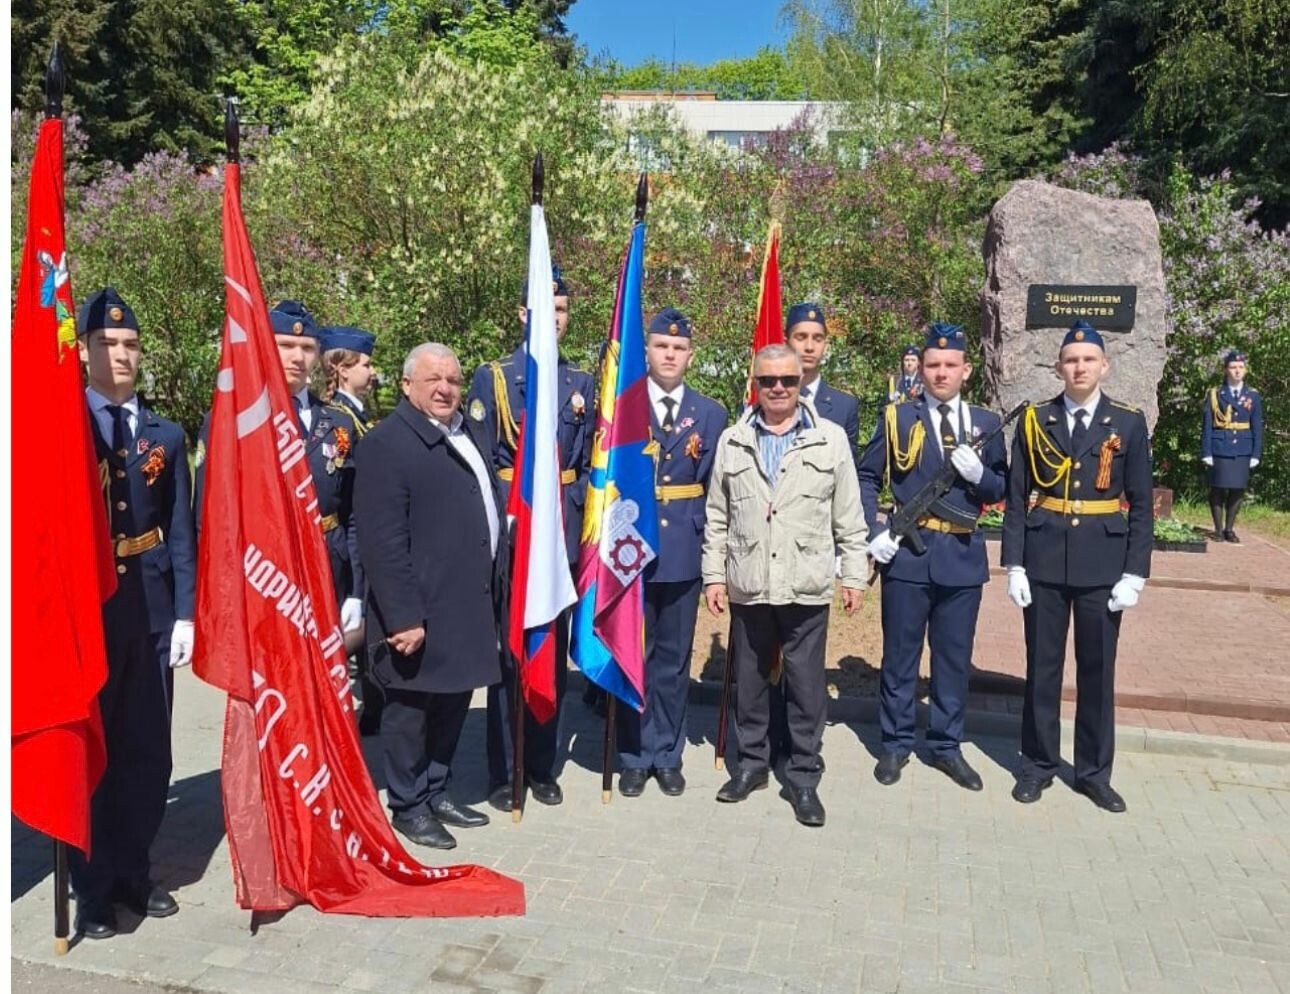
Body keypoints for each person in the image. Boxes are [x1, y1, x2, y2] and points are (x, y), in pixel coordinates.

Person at [72, 288, 196, 939]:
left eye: (130, 344)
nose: (120, 354)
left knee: (148, 751)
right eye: (106, 343)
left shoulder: (164, 435)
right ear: (83, 349)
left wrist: (186, 614)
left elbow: (180, 530)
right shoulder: (64, 427)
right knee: (95, 751)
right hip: (88, 615)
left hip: (150, 610)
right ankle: (92, 889)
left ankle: (134, 872)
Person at [701, 344, 868, 827]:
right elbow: (717, 517)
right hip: (750, 580)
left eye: (788, 381)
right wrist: (714, 575)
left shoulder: (828, 439)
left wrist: (854, 573)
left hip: (805, 581)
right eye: (768, 380)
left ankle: (803, 775)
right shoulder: (733, 440)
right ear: (755, 383)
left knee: (806, 686)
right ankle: (752, 765)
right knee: (750, 682)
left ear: (801, 383)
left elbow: (849, 514)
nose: (778, 389)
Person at [354, 343, 504, 850]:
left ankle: (437, 789)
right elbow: (382, 542)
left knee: (453, 703)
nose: (445, 389)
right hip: (419, 611)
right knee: (410, 713)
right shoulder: (386, 444)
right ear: (406, 386)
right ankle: (409, 804)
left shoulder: (467, 431)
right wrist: (402, 617)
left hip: (467, 603)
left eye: (453, 380)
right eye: (432, 380)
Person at [1002, 320, 1153, 813]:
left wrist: (1135, 573)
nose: (1079, 367)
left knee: (1097, 673)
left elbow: (1142, 504)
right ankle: (1038, 764)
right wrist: (1014, 565)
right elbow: (1017, 498)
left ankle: (1092, 773)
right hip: (1044, 560)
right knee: (1042, 670)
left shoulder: (1127, 423)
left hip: (1102, 566)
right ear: (1058, 367)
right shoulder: (1035, 421)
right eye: (1071, 360)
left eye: (1088, 359)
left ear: (1104, 366)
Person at [858, 322, 1008, 791]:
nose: (941, 373)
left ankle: (946, 746)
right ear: (920, 369)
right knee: (900, 657)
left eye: (950, 365)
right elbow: (866, 476)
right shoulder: (897, 418)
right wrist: (874, 531)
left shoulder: (986, 424)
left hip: (961, 555)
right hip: (907, 554)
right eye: (933, 365)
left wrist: (980, 475)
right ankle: (895, 743)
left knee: (953, 660)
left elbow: (1001, 487)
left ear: (967, 369)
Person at [467, 267, 594, 811]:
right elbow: (479, 462)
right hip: (513, 534)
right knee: (510, 655)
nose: (554, 320)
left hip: (559, 537)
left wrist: (572, 515)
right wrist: (505, 520)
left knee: (551, 653)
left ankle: (541, 765)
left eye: (561, 311)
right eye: (544, 311)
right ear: (523, 315)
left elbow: (588, 466)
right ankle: (505, 770)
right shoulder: (494, 378)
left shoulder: (580, 383)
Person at [196, 301, 365, 644]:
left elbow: (354, 514)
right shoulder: (233, 420)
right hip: (262, 576)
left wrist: (356, 590)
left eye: (307, 348)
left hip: (327, 571)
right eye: (285, 346)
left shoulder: (339, 423)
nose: (297, 357)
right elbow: (210, 517)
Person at [616, 308, 728, 798]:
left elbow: (716, 489)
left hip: (683, 546)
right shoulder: (624, 406)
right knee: (632, 655)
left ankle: (667, 753)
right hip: (630, 548)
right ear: (647, 351)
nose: (669, 354)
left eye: (678, 348)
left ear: (691, 356)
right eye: (661, 346)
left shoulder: (710, 413)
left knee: (673, 660)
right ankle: (633, 754)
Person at [1201, 350, 1263, 543]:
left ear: (1245, 370)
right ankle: (1218, 529)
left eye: (1240, 367)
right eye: (1233, 367)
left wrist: (1256, 453)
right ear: (1226, 370)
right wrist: (1206, 451)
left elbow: (1257, 426)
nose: (1237, 371)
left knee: (1237, 489)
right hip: (1220, 446)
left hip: (1243, 449)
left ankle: (1229, 528)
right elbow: (1207, 425)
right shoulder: (1215, 394)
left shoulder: (1252, 395)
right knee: (1217, 488)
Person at [320, 324, 378, 435]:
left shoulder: (351, 409)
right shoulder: (339, 415)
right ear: (343, 371)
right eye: (366, 365)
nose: (373, 372)